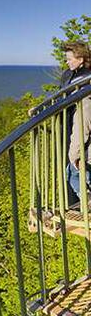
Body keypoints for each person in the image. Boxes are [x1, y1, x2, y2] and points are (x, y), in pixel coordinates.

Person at [66, 41, 91, 206]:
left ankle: (87, 200)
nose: (67, 62)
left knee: (72, 173)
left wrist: (74, 156)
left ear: (80, 58)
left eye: (69, 58)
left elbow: (84, 123)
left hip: (84, 146)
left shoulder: (84, 87)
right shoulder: (77, 77)